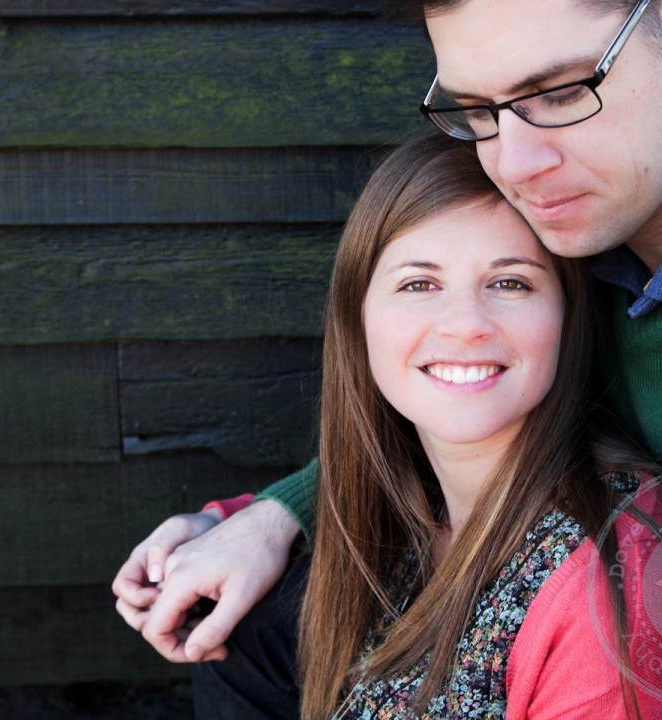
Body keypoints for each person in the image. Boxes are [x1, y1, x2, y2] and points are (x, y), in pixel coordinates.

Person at [112, 0, 662, 706]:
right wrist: (278, 514)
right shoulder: (583, 235)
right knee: (248, 628)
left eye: (562, 92)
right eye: (478, 111)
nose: (513, 164)